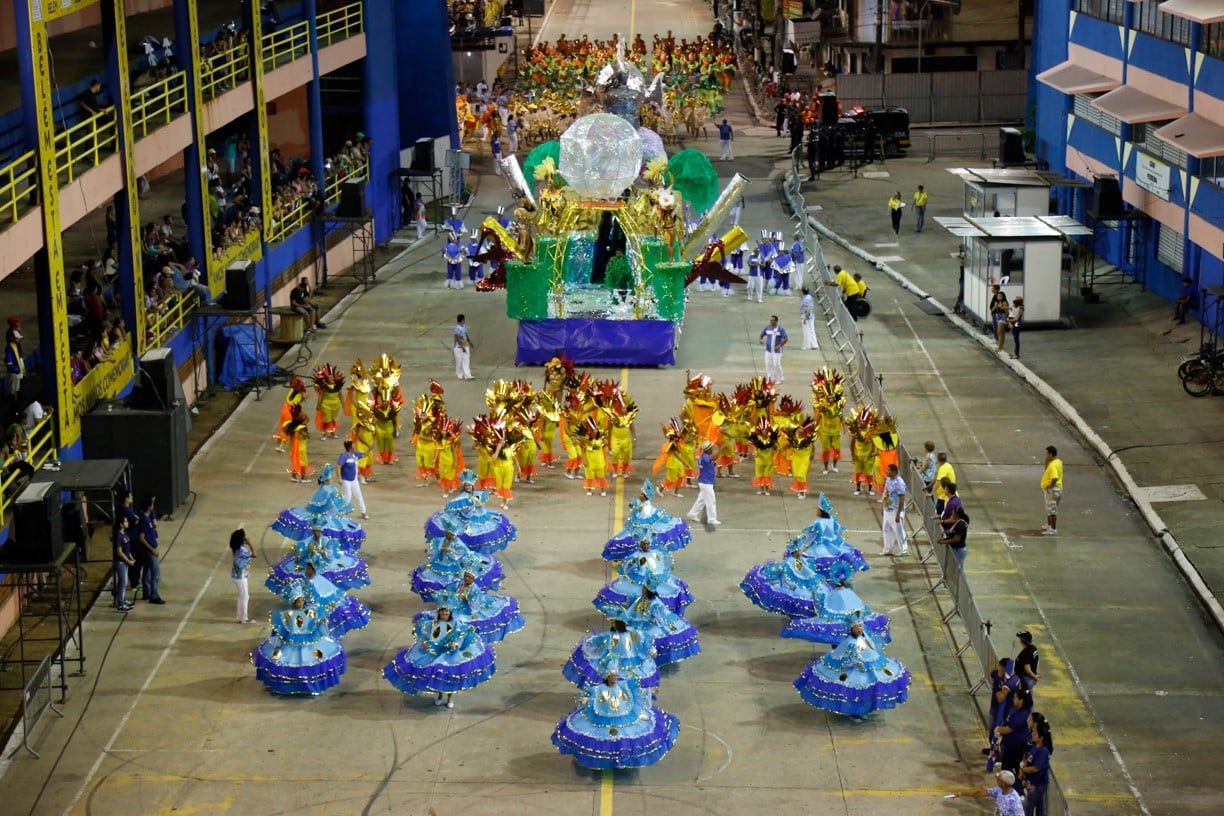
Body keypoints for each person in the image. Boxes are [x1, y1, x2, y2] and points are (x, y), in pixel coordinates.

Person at [552, 671, 679, 769]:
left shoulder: (623, 685)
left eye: (615, 677)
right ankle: (609, 760)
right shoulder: (598, 688)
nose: (614, 679)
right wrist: (585, 700)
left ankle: (622, 760)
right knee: (602, 738)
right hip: (602, 717)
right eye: (612, 677)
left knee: (625, 738)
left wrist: (648, 690)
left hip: (625, 715)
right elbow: (589, 695)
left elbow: (635, 689)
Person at [793, 620, 911, 721]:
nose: (859, 629)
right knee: (855, 690)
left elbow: (871, 647)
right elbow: (844, 656)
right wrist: (855, 662)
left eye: (860, 627)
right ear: (851, 630)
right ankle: (855, 713)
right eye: (857, 628)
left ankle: (863, 711)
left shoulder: (864, 636)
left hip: (870, 663)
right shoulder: (849, 642)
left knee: (870, 687)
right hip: (854, 669)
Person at [382, 606, 495, 709]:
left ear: (449, 614)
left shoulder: (456, 624)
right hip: (435, 650)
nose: (444, 615)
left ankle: (450, 698)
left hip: (451, 653)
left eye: (446, 613)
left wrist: (456, 643)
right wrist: (425, 642)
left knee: (451, 677)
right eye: (442, 613)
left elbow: (463, 633)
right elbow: (425, 634)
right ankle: (440, 696)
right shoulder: (433, 624)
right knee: (435, 675)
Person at [252, 594, 347, 695]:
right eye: (297, 601)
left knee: (310, 664)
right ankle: (287, 687)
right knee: (286, 663)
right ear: (293, 602)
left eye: (301, 601)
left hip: (309, 646)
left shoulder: (311, 613)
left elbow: (320, 624)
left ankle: (309, 687)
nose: (300, 603)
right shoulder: (284, 615)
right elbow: (279, 631)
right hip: (289, 647)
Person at [1020, 714, 1054, 816]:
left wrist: (1024, 769)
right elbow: (1028, 757)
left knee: (1027, 806)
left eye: (1035, 734)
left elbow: (1035, 768)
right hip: (1033, 783)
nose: (1032, 735)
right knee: (1040, 807)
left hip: (1038, 785)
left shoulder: (1043, 751)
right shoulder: (1036, 747)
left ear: (1041, 738)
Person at [994, 687, 1033, 774]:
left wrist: (997, 730)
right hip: (1011, 746)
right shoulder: (1017, 710)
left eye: (1015, 697)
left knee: (1009, 768)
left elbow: (1009, 729)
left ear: (1021, 701)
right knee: (1007, 765)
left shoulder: (1022, 715)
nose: (1013, 699)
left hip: (1015, 748)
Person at [135, 495, 164, 604]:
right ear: (148, 506)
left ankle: (146, 592)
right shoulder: (145, 520)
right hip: (149, 550)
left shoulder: (146, 517)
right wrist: (152, 550)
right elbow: (141, 538)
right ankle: (154, 595)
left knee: (146, 571)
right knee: (155, 573)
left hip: (148, 549)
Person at [686, 442, 721, 526]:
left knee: (701, 500)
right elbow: (714, 457)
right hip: (706, 482)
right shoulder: (705, 457)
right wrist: (720, 448)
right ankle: (712, 519)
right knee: (711, 501)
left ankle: (692, 513)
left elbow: (713, 462)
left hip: (705, 482)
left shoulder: (704, 456)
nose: (713, 449)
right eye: (711, 448)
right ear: (708, 449)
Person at [880, 463, 907, 556]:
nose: (887, 472)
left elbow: (902, 498)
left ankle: (904, 550)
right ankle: (888, 549)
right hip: (887, 508)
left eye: (889, 470)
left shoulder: (899, 483)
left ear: (894, 472)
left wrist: (898, 513)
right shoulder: (888, 480)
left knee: (899, 530)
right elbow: (886, 493)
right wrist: (883, 506)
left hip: (896, 509)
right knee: (886, 529)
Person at [229, 528, 256, 623]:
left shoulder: (236, 548)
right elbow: (254, 554)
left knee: (241, 596)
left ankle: (240, 618)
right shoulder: (242, 550)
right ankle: (244, 619)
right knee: (245, 596)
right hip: (240, 576)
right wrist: (249, 543)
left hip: (238, 575)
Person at [337, 440, 368, 519]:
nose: (355, 447)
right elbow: (338, 467)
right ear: (350, 448)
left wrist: (370, 446)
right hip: (346, 480)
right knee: (348, 497)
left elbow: (365, 454)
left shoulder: (355, 455)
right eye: (354, 446)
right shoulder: (344, 456)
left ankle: (363, 512)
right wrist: (339, 478)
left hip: (354, 480)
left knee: (359, 496)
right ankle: (342, 514)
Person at [113, 513, 136, 612]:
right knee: (123, 582)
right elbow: (119, 551)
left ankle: (122, 600)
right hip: (120, 563)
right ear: (121, 524)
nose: (127, 523)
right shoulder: (118, 535)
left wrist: (131, 558)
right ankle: (121, 605)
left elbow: (127, 550)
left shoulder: (124, 534)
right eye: (125, 521)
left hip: (125, 562)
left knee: (123, 583)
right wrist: (127, 561)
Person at [1040, 445, 1062, 535]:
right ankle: (1049, 525)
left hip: (1052, 490)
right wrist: (1046, 461)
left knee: (1052, 510)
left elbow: (1055, 477)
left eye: (1047, 454)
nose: (1045, 455)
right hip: (1056, 489)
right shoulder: (1058, 462)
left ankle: (1053, 529)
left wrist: (1049, 486)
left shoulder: (1052, 465)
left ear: (1050, 454)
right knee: (1049, 509)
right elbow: (1046, 470)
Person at [759, 315, 787, 384]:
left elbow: (786, 338)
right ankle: (770, 378)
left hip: (777, 351)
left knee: (776, 364)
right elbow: (762, 334)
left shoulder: (781, 329)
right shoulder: (767, 328)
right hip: (768, 350)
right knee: (768, 364)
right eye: (770, 320)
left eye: (772, 320)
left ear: (776, 321)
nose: (771, 321)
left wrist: (779, 345)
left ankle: (781, 378)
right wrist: (760, 340)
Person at [5, 318, 24, 398]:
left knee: (17, 384)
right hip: (14, 368)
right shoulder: (10, 347)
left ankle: (18, 395)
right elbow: (9, 362)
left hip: (17, 364)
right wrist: (15, 369)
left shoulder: (14, 345)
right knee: (13, 387)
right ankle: (13, 402)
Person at [453, 313, 473, 380]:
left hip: (465, 346)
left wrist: (470, 342)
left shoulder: (464, 326)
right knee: (459, 361)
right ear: (462, 320)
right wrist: (462, 347)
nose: (465, 321)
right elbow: (457, 338)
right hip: (458, 348)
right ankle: (459, 373)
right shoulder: (456, 328)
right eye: (464, 319)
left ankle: (467, 374)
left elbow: (466, 335)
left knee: (466, 360)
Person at [990, 285, 1010, 351]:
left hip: (1002, 318)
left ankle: (999, 347)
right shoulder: (999, 302)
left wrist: (1008, 320)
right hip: (998, 317)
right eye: (998, 296)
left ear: (1003, 297)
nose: (998, 297)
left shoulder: (1004, 303)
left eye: (1000, 296)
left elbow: (1007, 312)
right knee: (1001, 333)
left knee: (999, 332)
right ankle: (1000, 347)